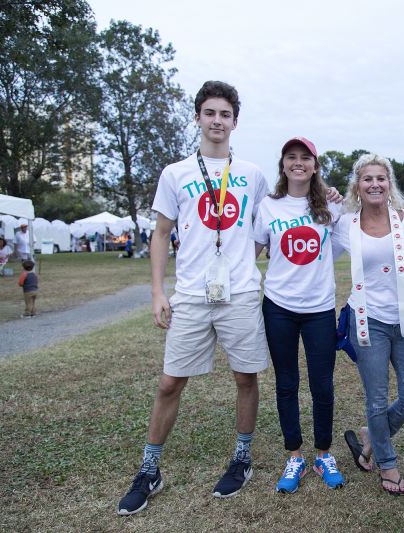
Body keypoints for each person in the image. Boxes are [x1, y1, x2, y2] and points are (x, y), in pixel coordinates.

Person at [117, 81, 272, 516]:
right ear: (198, 118)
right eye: (210, 113)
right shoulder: (176, 173)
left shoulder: (252, 175)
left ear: (235, 121)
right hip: (190, 295)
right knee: (170, 381)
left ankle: (242, 458)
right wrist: (156, 292)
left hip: (239, 292)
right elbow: (162, 233)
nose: (217, 121)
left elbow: (270, 220)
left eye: (225, 114)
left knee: (245, 377)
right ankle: (150, 469)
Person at [255, 136, 346, 494]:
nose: (298, 163)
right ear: (283, 164)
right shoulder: (268, 206)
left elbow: (360, 231)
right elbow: (251, 248)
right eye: (291, 157)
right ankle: (294, 455)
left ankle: (323, 454)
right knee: (287, 383)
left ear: (314, 165)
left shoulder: (331, 207)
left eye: (305, 158)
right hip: (278, 306)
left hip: (319, 309)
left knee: (322, 385)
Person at [335, 154, 404, 496]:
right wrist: (327, 197)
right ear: (357, 187)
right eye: (367, 179)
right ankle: (387, 465)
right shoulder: (345, 224)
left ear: (390, 184)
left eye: (380, 178)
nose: (374, 184)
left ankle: (370, 435)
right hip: (366, 321)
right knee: (376, 398)